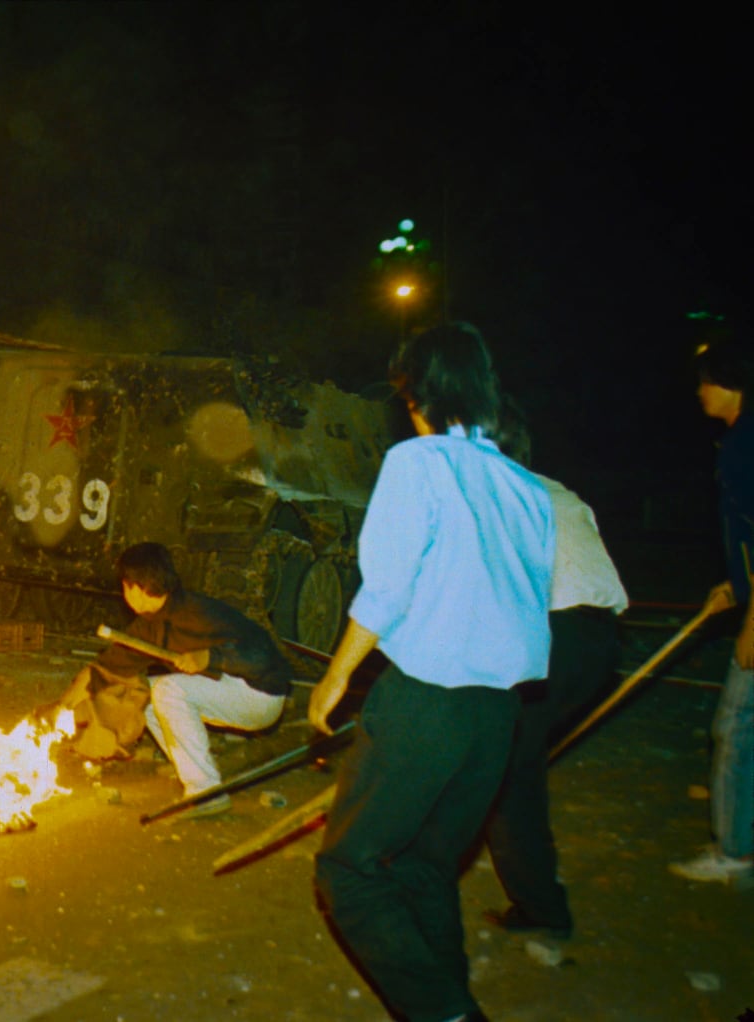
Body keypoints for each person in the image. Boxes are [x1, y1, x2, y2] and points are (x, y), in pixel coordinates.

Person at [307, 323, 554, 1022]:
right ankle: (450, 1004)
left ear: (415, 392)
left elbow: (387, 590)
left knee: (349, 870)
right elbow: (531, 599)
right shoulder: (524, 485)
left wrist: (334, 681)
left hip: (427, 703)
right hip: (497, 716)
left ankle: (447, 1013)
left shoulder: (417, 463)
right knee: (423, 868)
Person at [481, 400, 629, 937]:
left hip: (553, 637)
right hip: (601, 642)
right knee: (517, 759)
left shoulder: (493, 497)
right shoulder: (560, 490)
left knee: (510, 779)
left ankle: (543, 910)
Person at [54, 541, 291, 818]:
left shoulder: (199, 612)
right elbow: (100, 670)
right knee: (146, 692)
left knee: (169, 689)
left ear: (136, 587)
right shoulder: (149, 626)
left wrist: (211, 657)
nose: (123, 593)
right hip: (232, 692)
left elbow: (264, 655)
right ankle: (189, 769)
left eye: (125, 586)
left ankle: (205, 792)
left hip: (261, 696)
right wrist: (61, 709)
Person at [668, 335, 753, 885]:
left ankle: (734, 853)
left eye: (704, 380)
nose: (699, 391)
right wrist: (736, 586)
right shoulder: (737, 442)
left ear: (727, 383)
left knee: (735, 728)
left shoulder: (746, 448)